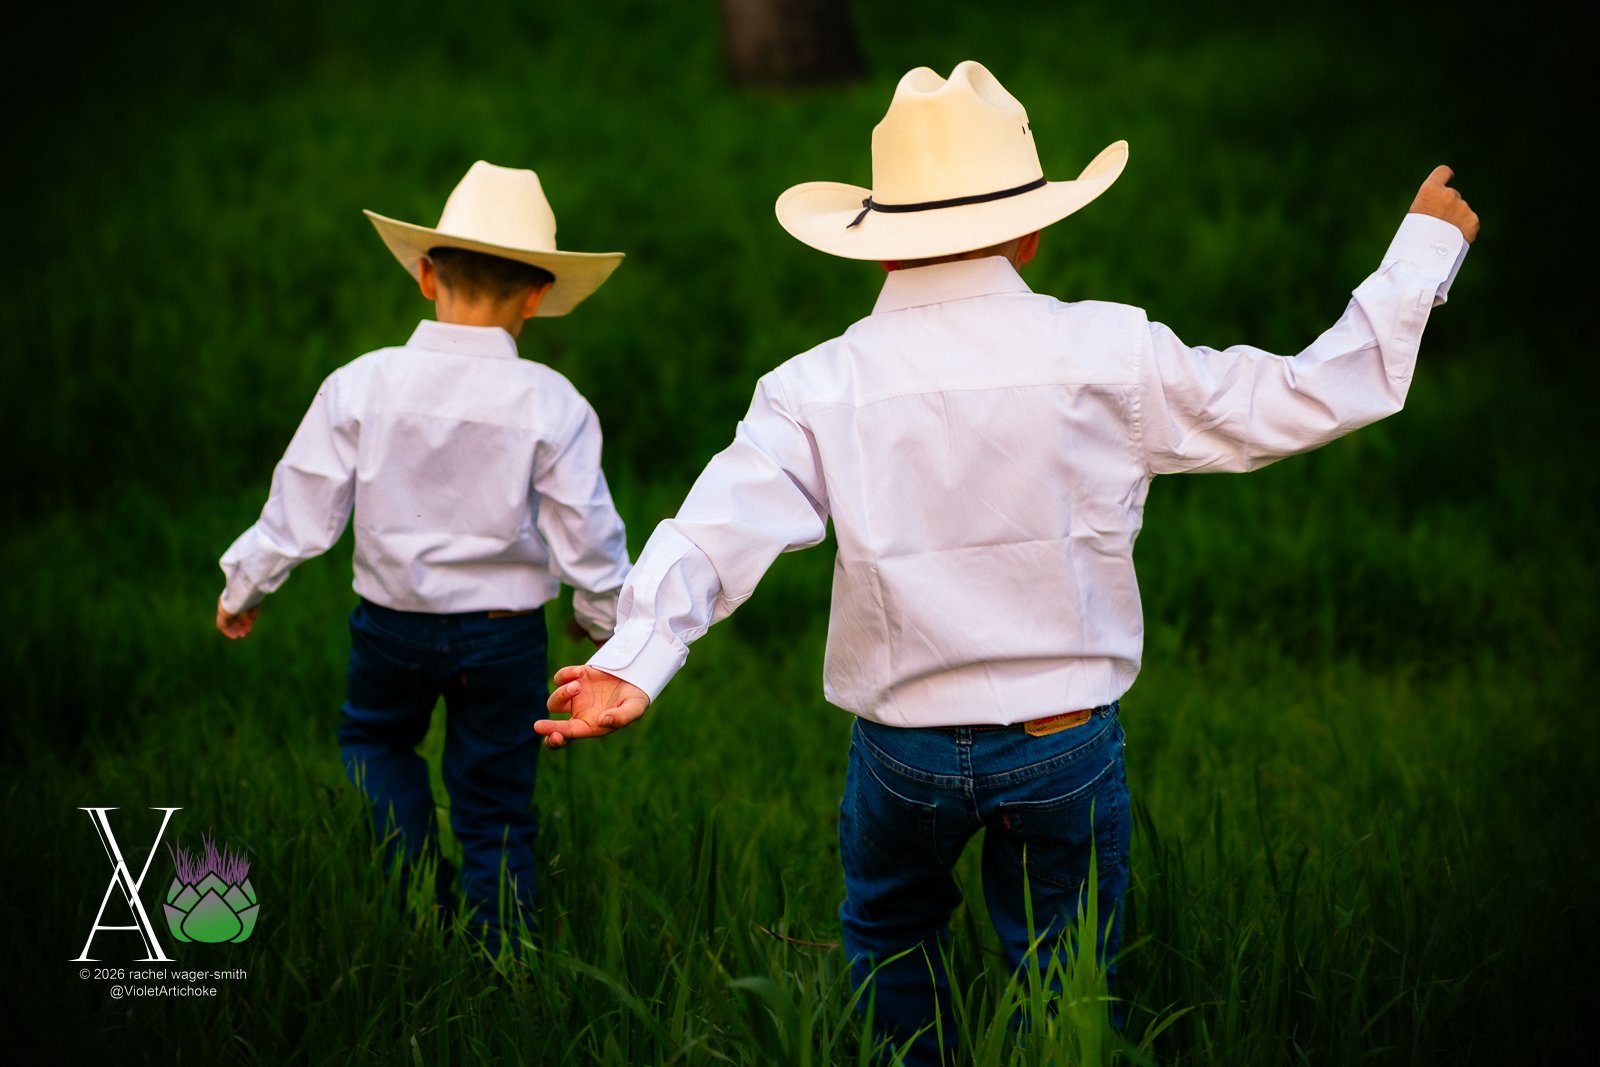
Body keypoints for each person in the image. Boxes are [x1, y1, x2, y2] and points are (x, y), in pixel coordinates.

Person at [538, 60, 1478, 1061]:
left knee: (891, 944)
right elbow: (1302, 394)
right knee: (1063, 973)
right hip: (1061, 738)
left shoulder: (814, 384)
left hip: (901, 750)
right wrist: (1421, 247)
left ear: (879, 244)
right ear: (1032, 230)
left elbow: (713, 528)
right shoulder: (1108, 350)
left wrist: (631, 658)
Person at [215, 160, 633, 959]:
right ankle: (504, 950)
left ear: (425, 276)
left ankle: (415, 901)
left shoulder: (362, 384)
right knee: (498, 795)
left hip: (392, 627)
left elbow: (302, 503)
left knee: (377, 743)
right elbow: (589, 533)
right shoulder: (553, 402)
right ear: (537, 297)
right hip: (505, 636)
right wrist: (600, 620)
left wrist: (245, 584)